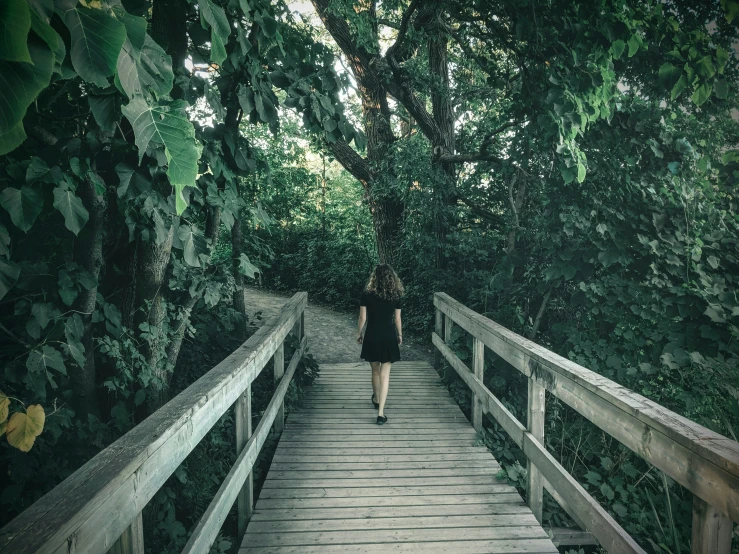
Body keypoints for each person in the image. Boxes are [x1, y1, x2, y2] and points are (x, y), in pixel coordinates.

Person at [357, 264, 404, 425]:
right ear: (392, 278)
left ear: (374, 277)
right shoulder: (395, 295)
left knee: (375, 371)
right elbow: (397, 319)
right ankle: (381, 413)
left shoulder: (367, 294)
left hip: (372, 335)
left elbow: (362, 318)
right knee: (385, 375)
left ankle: (376, 398)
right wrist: (400, 334)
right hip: (388, 336)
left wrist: (359, 333)